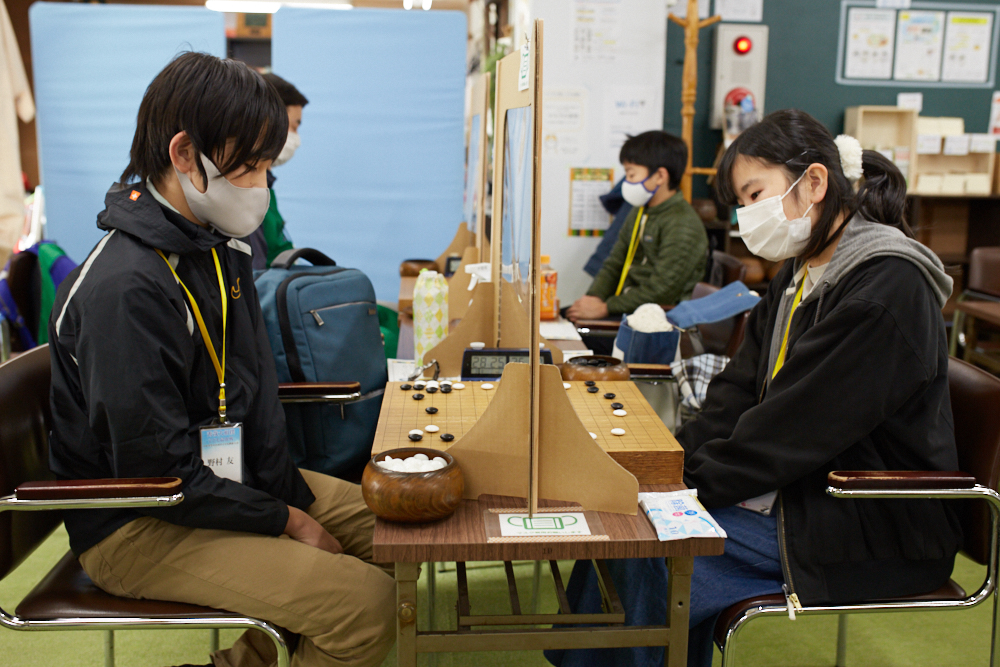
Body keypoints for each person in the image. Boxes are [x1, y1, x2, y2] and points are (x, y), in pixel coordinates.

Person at [547, 109, 962, 667]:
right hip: (803, 487)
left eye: (754, 193)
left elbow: (795, 428)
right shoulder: (802, 271)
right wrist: (672, 469)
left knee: (648, 541)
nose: (747, 216)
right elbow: (737, 391)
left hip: (867, 514)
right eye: (740, 203)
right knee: (633, 521)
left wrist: (682, 488)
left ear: (814, 182)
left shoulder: (885, 286)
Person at [47, 53, 395, 667]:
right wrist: (285, 520)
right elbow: (158, 467)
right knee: (365, 608)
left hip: (216, 484)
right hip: (140, 517)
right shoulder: (125, 289)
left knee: (401, 532)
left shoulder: (215, 246)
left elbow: (252, 393)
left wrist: (285, 497)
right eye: (250, 166)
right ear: (185, 155)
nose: (260, 185)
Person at [565, 131, 708, 325]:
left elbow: (661, 292)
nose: (626, 182)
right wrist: (593, 299)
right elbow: (614, 262)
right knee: (564, 318)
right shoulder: (641, 210)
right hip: (627, 310)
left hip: (655, 323)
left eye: (631, 174)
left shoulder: (683, 224)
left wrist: (604, 308)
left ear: (660, 176)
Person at [246, 72, 307, 270]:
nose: (296, 138)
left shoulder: (266, 186)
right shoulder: (245, 192)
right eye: (294, 126)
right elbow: (255, 277)